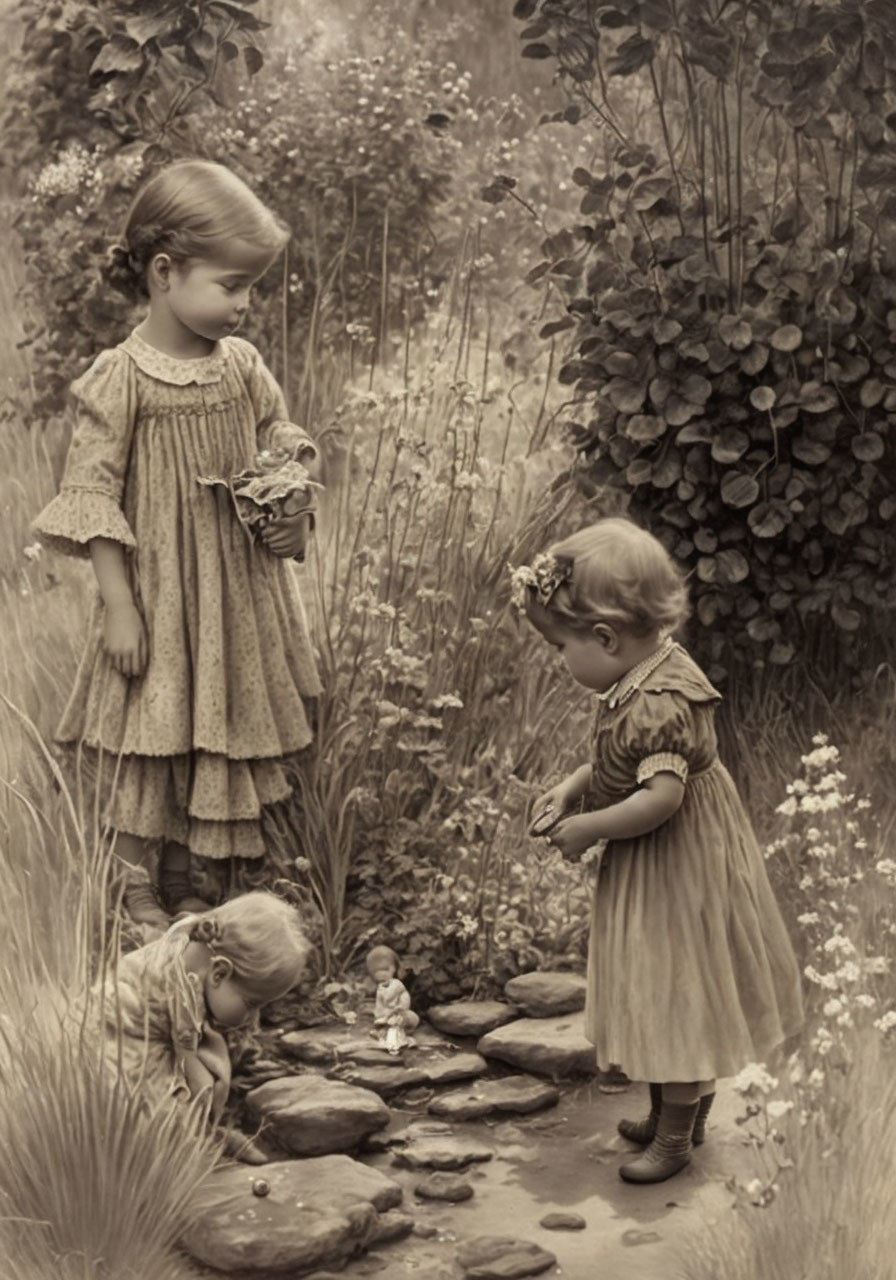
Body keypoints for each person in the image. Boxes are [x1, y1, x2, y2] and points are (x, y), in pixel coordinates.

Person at [32, 159, 322, 930]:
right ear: (165, 272)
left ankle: (189, 879)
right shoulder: (120, 379)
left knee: (212, 729)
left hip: (234, 594)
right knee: (153, 739)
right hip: (160, 595)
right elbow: (92, 498)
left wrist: (293, 492)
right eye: (232, 286)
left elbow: (278, 437)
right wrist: (120, 605)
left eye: (251, 287)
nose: (245, 304)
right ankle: (133, 887)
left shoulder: (244, 368)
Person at [512, 518, 803, 1184]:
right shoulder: (639, 674)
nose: (561, 660)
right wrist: (571, 787)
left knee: (676, 980)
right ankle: (676, 1116)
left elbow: (660, 798)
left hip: (677, 856)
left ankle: (675, 1139)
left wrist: (590, 829)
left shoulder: (661, 703)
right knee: (657, 979)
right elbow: (616, 762)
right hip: (662, 851)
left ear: (606, 639)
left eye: (561, 646)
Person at [96, 891, 310, 1161]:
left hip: (135, 1023)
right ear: (220, 973)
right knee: (161, 1103)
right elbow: (192, 1067)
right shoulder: (184, 991)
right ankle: (196, 1141)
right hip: (119, 1037)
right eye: (251, 1003)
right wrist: (206, 1096)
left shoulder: (194, 939)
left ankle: (203, 1132)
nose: (253, 1017)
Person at [365, 944, 419, 1054]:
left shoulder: (397, 985)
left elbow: (404, 996)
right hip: (387, 1014)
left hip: (400, 1012)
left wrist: (402, 1007)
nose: (382, 975)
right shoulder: (380, 988)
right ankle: (384, 1034)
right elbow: (379, 1003)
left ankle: (397, 1037)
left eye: (385, 969)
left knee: (408, 1018)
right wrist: (379, 1013)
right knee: (384, 1022)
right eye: (376, 971)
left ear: (393, 968)